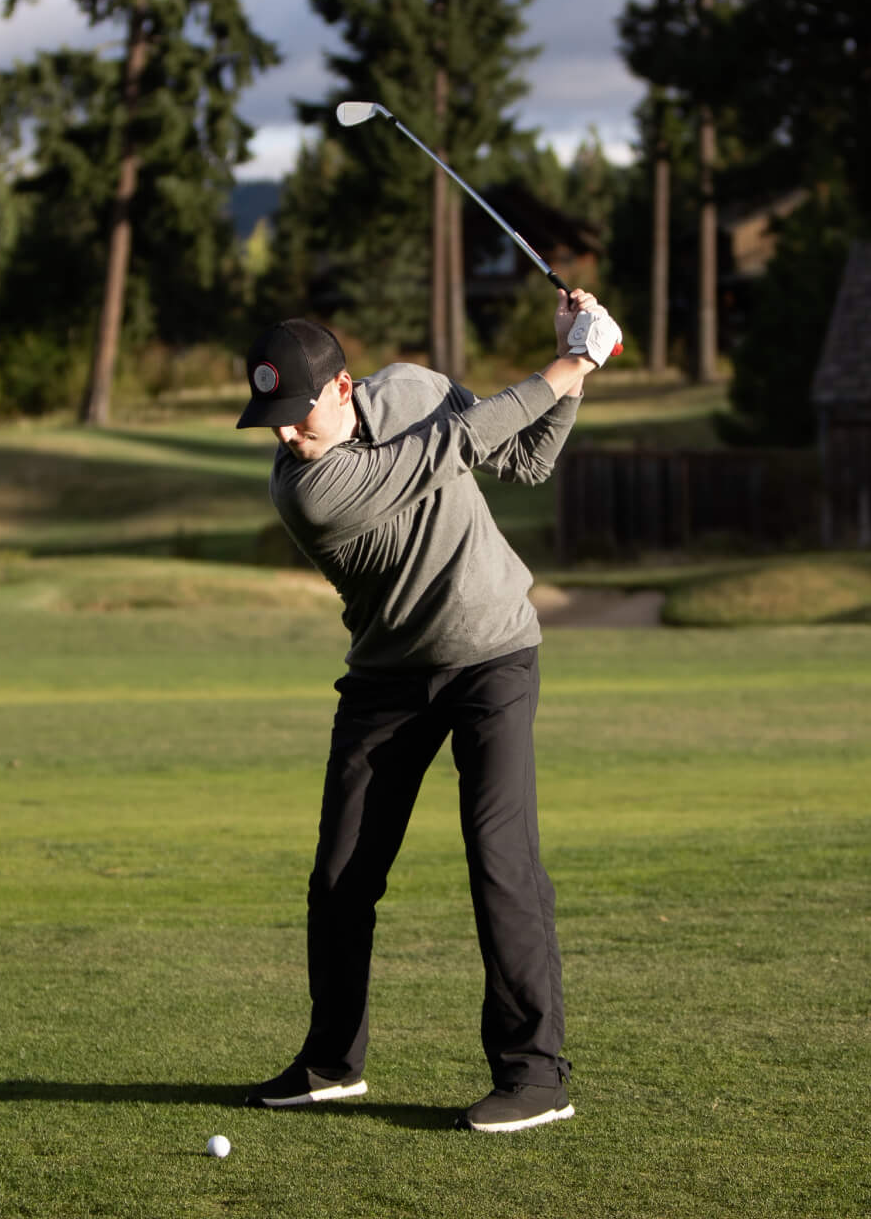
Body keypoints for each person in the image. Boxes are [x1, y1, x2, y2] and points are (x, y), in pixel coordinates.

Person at [233, 290, 623, 1135]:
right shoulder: (308, 491)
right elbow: (462, 441)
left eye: (295, 414)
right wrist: (576, 359)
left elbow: (521, 459)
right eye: (269, 420)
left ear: (341, 389)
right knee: (340, 877)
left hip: (492, 654)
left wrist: (573, 373)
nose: (282, 435)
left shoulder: (412, 387)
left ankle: (535, 1076)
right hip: (388, 679)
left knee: (499, 857)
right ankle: (331, 1063)